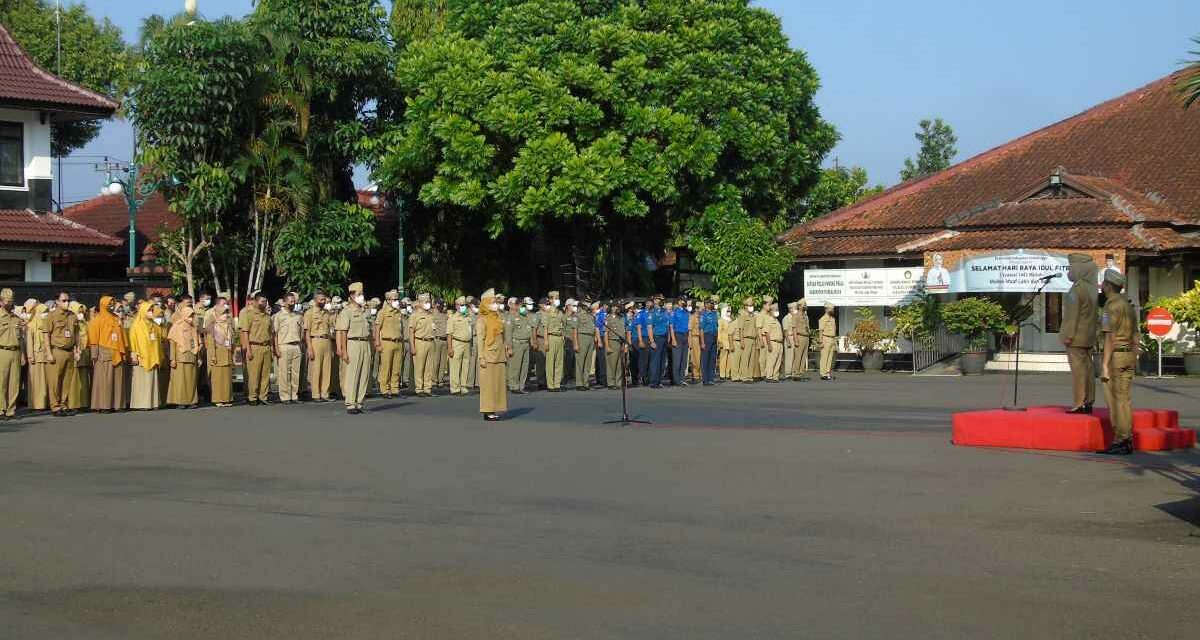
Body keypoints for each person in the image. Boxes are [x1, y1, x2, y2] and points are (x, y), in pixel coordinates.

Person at [1097, 270, 1139, 455]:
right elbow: (1136, 335)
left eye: (1104, 283)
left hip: (1116, 356)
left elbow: (1110, 337)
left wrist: (1104, 365)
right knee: (1125, 400)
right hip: (1129, 354)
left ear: (1108, 286)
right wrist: (1134, 355)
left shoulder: (1111, 306)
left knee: (1115, 400)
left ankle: (1121, 439)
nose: (1102, 286)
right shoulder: (1127, 305)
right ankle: (1127, 439)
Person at [1062, 253, 1099, 414]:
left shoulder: (1077, 289)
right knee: (1088, 370)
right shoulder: (1092, 289)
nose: (1068, 271)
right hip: (1089, 336)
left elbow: (1072, 315)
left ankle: (1079, 403)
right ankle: (1089, 400)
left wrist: (1068, 335)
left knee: (1078, 371)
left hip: (1076, 337)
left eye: (1070, 267)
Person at [336, 282, 372, 414]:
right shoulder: (347, 312)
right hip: (353, 343)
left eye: (362, 294)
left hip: (365, 343)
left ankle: (359, 402)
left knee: (364, 373)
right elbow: (343, 332)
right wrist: (344, 350)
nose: (361, 297)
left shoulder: (364, 311)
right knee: (353, 373)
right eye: (359, 294)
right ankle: (351, 403)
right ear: (351, 296)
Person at [89, 296, 129, 413]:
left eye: (113, 304)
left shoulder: (116, 319)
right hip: (104, 353)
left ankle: (118, 404)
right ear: (103, 305)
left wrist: (125, 352)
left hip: (117, 351)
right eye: (109, 304)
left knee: (118, 380)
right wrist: (94, 355)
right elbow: (93, 339)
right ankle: (104, 405)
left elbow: (122, 335)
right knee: (105, 380)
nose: (111, 306)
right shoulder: (97, 320)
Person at [45, 291, 79, 416]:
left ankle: (64, 404)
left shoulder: (72, 316)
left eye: (68, 300)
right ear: (57, 302)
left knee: (66, 380)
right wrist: (48, 353)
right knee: (55, 381)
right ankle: (55, 407)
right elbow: (46, 335)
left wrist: (77, 350)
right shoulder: (51, 316)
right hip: (57, 350)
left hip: (69, 351)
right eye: (64, 300)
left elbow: (76, 334)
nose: (67, 303)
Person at [477, 289, 508, 421]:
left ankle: (495, 408)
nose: (495, 304)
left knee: (498, 385)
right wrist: (481, 357)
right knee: (488, 385)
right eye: (492, 302)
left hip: (499, 355)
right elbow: (480, 340)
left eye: (496, 302)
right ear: (485, 304)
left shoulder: (498, 317)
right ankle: (487, 410)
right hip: (488, 356)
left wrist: (506, 348)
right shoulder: (482, 320)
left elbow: (502, 335)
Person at [239, 292, 275, 405]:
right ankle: (252, 397)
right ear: (255, 301)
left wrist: (272, 348)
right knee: (254, 374)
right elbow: (245, 332)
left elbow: (271, 333)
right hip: (254, 346)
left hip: (266, 346)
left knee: (265, 374)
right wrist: (248, 349)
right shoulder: (248, 314)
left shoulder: (267, 316)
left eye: (265, 301)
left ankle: (263, 396)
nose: (264, 303)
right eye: (262, 301)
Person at [129, 301, 164, 410]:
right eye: (149, 310)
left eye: (151, 310)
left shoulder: (154, 325)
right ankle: (141, 404)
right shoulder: (136, 325)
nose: (150, 312)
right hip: (142, 357)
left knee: (152, 381)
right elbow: (132, 341)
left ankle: (153, 403)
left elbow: (160, 339)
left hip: (153, 356)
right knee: (142, 382)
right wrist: (134, 354)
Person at [271, 292, 304, 404]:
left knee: (296, 373)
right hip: (284, 345)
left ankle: (294, 395)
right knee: (284, 373)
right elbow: (275, 334)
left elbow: (301, 333)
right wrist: (276, 348)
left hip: (296, 345)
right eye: (290, 301)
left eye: (294, 301)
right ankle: (285, 396)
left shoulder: (298, 316)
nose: (293, 303)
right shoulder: (278, 316)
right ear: (284, 302)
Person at [166, 306, 201, 409]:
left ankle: (192, 401)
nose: (191, 318)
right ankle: (181, 401)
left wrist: (198, 357)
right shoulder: (177, 326)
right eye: (189, 316)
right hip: (180, 357)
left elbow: (197, 343)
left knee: (191, 380)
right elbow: (172, 343)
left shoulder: (193, 327)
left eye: (192, 316)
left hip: (192, 356)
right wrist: (173, 359)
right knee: (180, 381)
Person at [375, 290, 406, 399]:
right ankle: (384, 389)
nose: (397, 301)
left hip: (398, 342)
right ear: (388, 300)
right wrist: (377, 342)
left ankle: (395, 389)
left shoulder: (398, 313)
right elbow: (377, 328)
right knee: (386, 367)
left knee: (396, 367)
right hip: (386, 341)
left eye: (397, 299)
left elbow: (401, 329)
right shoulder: (383, 312)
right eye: (394, 299)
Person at [304, 291, 334, 402]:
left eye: (324, 299)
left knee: (327, 368)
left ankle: (325, 393)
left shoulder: (327, 313)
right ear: (316, 300)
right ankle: (316, 394)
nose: (323, 301)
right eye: (321, 299)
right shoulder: (309, 313)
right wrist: (309, 347)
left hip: (327, 340)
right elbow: (306, 331)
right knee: (316, 368)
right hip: (315, 340)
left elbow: (332, 327)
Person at [205, 296, 235, 407]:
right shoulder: (213, 327)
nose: (225, 316)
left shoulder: (229, 326)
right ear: (217, 314)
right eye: (223, 313)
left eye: (226, 313)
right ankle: (218, 399)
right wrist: (213, 355)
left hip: (227, 353)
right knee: (217, 379)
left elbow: (232, 341)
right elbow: (211, 343)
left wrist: (232, 353)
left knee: (227, 378)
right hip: (217, 354)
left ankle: (227, 399)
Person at [0, 288, 22, 420]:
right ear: (1, 302)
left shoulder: (16, 319)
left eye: (12, 301)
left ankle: (11, 410)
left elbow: (22, 338)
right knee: (1, 382)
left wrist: (23, 354)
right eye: (8, 301)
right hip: (2, 351)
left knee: (14, 383)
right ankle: (1, 409)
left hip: (16, 352)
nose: (10, 303)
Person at [409, 292, 436, 397]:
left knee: (429, 367)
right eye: (426, 302)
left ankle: (427, 388)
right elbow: (411, 332)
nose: (428, 303)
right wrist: (412, 346)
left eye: (428, 301)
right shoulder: (415, 316)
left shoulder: (430, 315)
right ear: (419, 303)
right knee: (419, 367)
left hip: (430, 341)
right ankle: (419, 388)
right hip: (419, 341)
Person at [26, 302, 51, 411]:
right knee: (36, 381)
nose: (45, 314)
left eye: (46, 312)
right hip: (36, 357)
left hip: (46, 356)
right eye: (44, 312)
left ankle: (46, 403)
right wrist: (30, 355)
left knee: (45, 381)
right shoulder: (31, 325)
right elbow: (29, 341)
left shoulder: (47, 325)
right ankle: (36, 404)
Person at [505, 297, 533, 393]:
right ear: (516, 306)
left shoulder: (525, 317)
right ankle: (514, 386)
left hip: (526, 343)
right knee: (515, 366)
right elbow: (508, 334)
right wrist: (509, 348)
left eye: (524, 306)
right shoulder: (511, 317)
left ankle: (522, 386)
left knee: (525, 366)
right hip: (517, 343)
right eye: (521, 305)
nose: (523, 307)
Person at [446, 296, 472, 395]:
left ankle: (463, 386)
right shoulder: (452, 318)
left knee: (466, 365)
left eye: (465, 305)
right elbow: (449, 334)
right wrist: (449, 348)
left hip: (467, 343)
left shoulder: (467, 317)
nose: (464, 307)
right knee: (455, 366)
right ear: (457, 306)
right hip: (456, 342)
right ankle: (455, 387)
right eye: (462, 305)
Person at [68, 302, 91, 411]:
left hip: (85, 353)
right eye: (79, 311)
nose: (81, 313)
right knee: (74, 380)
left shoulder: (85, 323)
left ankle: (84, 402)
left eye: (82, 311)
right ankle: (73, 403)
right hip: (75, 353)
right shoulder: (71, 323)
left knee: (84, 379)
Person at [542, 291, 566, 391]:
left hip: (559, 337)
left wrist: (563, 338)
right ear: (551, 300)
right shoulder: (547, 312)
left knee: (559, 362)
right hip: (551, 337)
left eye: (558, 298)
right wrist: (546, 341)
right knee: (550, 362)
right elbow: (545, 328)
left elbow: (563, 326)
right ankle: (550, 385)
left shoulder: (560, 312)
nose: (557, 300)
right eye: (556, 298)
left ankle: (557, 384)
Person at [574, 298, 597, 391]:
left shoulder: (591, 315)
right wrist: (575, 342)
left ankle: (586, 383)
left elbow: (594, 327)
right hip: (582, 337)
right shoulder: (577, 314)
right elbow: (574, 329)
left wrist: (594, 339)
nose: (589, 304)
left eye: (590, 302)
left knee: (588, 362)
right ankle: (579, 383)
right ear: (583, 303)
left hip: (590, 337)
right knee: (580, 361)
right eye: (587, 302)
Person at [668, 298, 689, 386]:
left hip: (685, 335)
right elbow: (671, 326)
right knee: (677, 359)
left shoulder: (686, 312)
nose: (684, 302)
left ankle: (682, 378)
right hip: (677, 335)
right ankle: (676, 380)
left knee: (684, 360)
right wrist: (673, 339)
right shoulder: (674, 313)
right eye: (682, 300)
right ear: (679, 302)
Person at [604, 301, 625, 390]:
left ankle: (618, 382)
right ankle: (611, 382)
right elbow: (605, 333)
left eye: (617, 307)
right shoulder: (608, 318)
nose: (616, 308)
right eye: (614, 307)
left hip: (621, 342)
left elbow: (625, 330)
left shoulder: (621, 318)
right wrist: (607, 345)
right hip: (612, 341)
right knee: (611, 364)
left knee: (620, 364)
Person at [761, 302, 784, 382]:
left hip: (780, 343)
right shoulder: (768, 320)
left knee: (778, 361)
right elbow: (767, 333)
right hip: (773, 342)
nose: (777, 311)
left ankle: (775, 376)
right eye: (775, 310)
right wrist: (769, 345)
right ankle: (769, 376)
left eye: (777, 310)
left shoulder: (777, 321)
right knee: (771, 361)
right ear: (771, 311)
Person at [736, 298, 757, 383]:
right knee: (745, 358)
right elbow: (740, 329)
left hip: (753, 339)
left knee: (751, 359)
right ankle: (744, 376)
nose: (751, 307)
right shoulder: (743, 316)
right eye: (749, 305)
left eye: (752, 305)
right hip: (746, 339)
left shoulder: (752, 316)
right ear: (745, 306)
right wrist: (741, 341)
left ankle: (749, 376)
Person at [699, 297, 719, 386]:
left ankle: (711, 378)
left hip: (714, 336)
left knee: (712, 359)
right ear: (706, 304)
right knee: (705, 359)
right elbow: (701, 329)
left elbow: (716, 326)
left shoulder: (714, 314)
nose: (712, 305)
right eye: (710, 303)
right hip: (707, 337)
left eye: (712, 303)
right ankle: (705, 380)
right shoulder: (703, 315)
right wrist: (702, 342)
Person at [793, 299, 812, 381]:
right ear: (799, 306)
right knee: (798, 356)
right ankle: (796, 374)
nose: (805, 306)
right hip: (799, 336)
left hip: (806, 337)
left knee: (804, 356)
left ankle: (800, 373)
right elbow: (794, 329)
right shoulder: (796, 315)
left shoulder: (806, 316)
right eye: (803, 304)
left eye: (805, 304)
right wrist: (796, 339)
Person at [819, 302, 837, 381]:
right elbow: (820, 331)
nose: (832, 310)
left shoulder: (832, 318)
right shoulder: (823, 319)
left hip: (832, 339)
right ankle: (823, 374)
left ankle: (827, 373)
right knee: (824, 357)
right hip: (825, 338)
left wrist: (835, 340)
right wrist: (820, 342)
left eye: (833, 309)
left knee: (830, 358)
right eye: (831, 309)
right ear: (827, 309)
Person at [633, 300, 649, 387]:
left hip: (648, 338)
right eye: (637, 308)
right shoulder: (639, 315)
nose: (639, 309)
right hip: (641, 339)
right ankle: (641, 377)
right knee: (642, 359)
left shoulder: (648, 314)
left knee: (647, 359)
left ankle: (645, 376)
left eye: (640, 307)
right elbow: (638, 328)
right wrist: (641, 340)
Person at [717, 302, 734, 381]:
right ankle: (722, 374)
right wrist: (720, 341)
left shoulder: (731, 320)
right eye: (727, 311)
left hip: (731, 342)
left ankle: (728, 373)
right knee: (723, 358)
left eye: (730, 311)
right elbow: (719, 332)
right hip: (724, 341)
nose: (729, 313)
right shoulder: (721, 320)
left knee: (730, 358)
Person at [688, 299, 702, 382]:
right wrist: (690, 341)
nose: (702, 309)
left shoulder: (701, 317)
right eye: (700, 307)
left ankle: (699, 373)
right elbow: (689, 330)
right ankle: (695, 374)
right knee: (695, 357)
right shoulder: (692, 317)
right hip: (694, 338)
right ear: (696, 308)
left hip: (700, 338)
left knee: (700, 357)